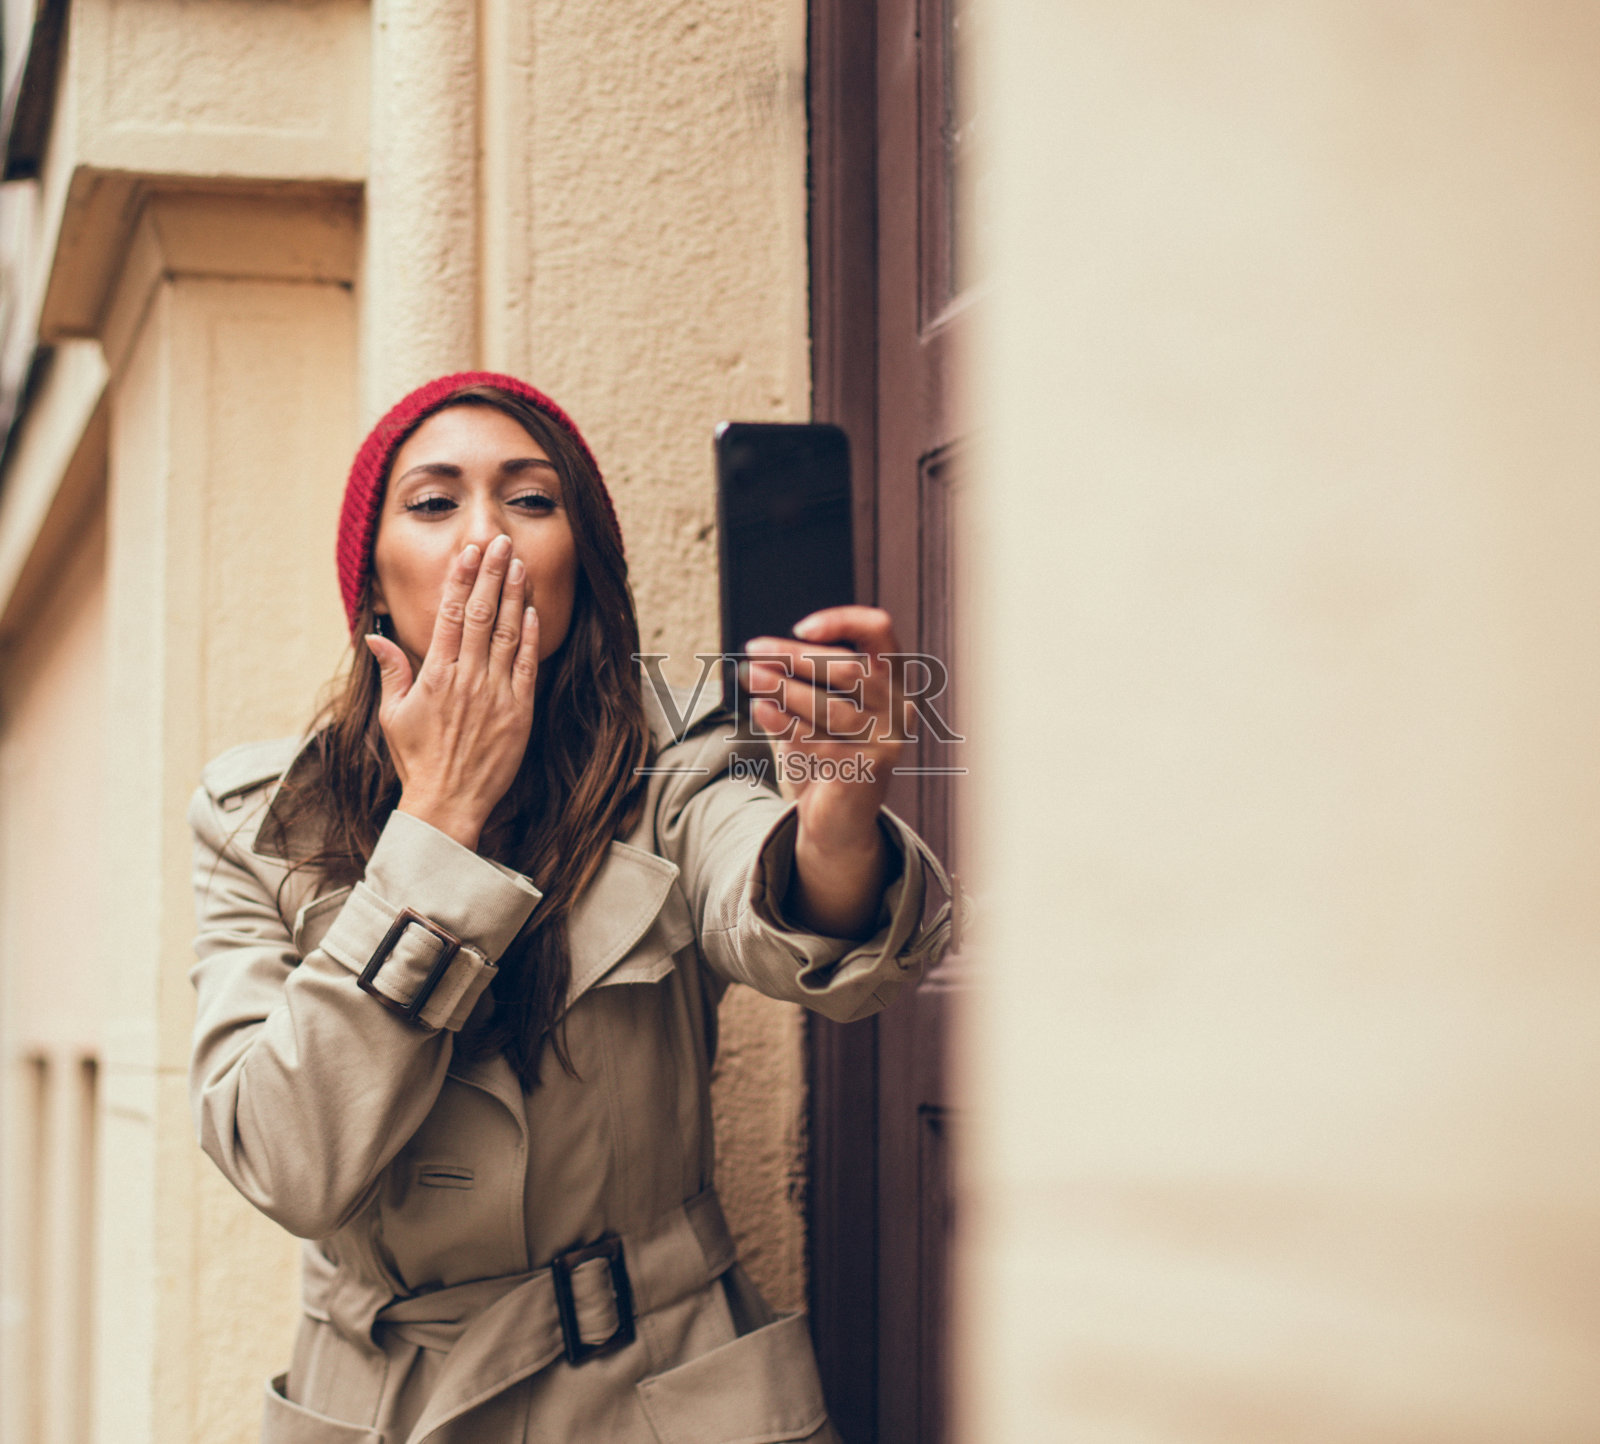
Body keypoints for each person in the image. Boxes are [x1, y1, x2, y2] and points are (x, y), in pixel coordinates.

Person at [186, 372, 954, 1444]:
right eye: (434, 501)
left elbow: (787, 915)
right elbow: (284, 1161)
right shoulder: (259, 819)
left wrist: (834, 825)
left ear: (582, 567)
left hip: (656, 1386)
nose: (484, 539)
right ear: (370, 582)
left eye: (531, 500)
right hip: (379, 1398)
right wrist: (441, 821)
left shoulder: (675, 772)